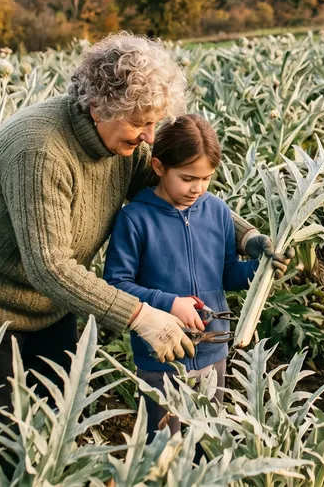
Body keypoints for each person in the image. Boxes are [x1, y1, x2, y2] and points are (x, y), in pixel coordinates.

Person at [0, 32, 284, 444]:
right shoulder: (40, 151)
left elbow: (169, 189)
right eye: (139, 123)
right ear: (98, 107)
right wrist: (143, 316)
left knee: (52, 420)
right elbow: (50, 267)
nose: (149, 136)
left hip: (49, 304)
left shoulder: (121, 144)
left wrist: (247, 237)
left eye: (153, 123)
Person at [103, 114, 285, 435]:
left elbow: (226, 273)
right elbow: (117, 285)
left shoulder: (216, 211)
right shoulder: (134, 219)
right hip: (161, 358)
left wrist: (260, 271)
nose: (197, 188)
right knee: (163, 446)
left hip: (214, 351)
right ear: (159, 167)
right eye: (187, 178)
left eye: (206, 179)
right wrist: (170, 303)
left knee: (207, 439)